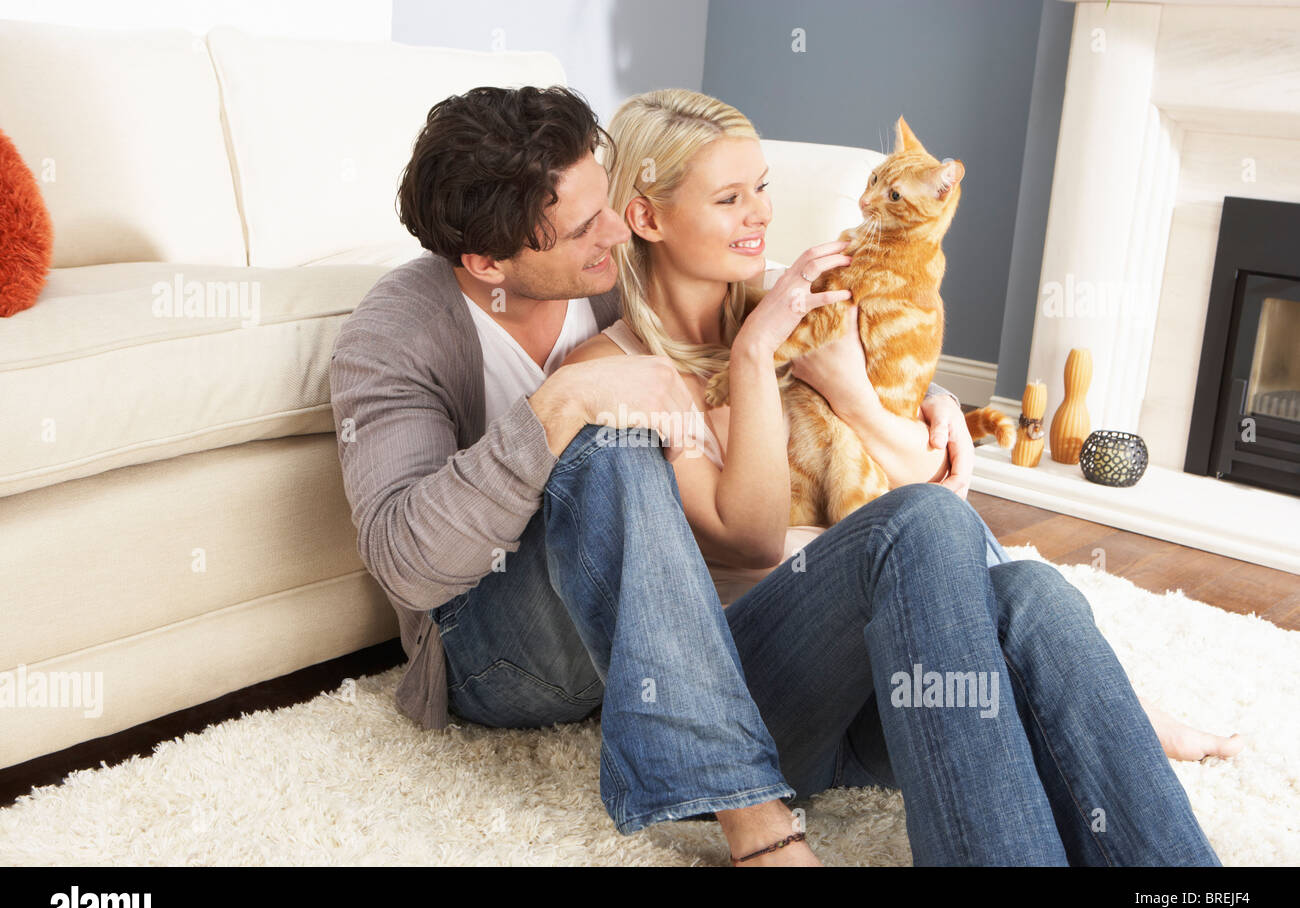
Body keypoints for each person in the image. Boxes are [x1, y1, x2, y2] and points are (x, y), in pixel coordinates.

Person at [328, 84, 1230, 866]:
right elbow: (408, 560)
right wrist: (569, 404)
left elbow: (855, 380)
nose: (613, 234)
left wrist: (921, 406)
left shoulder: (620, 272)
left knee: (1021, 588)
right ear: (489, 264)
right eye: (585, 226)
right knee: (612, 443)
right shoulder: (404, 333)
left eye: (611, 204)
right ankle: (754, 820)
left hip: (740, 656)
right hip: (507, 642)